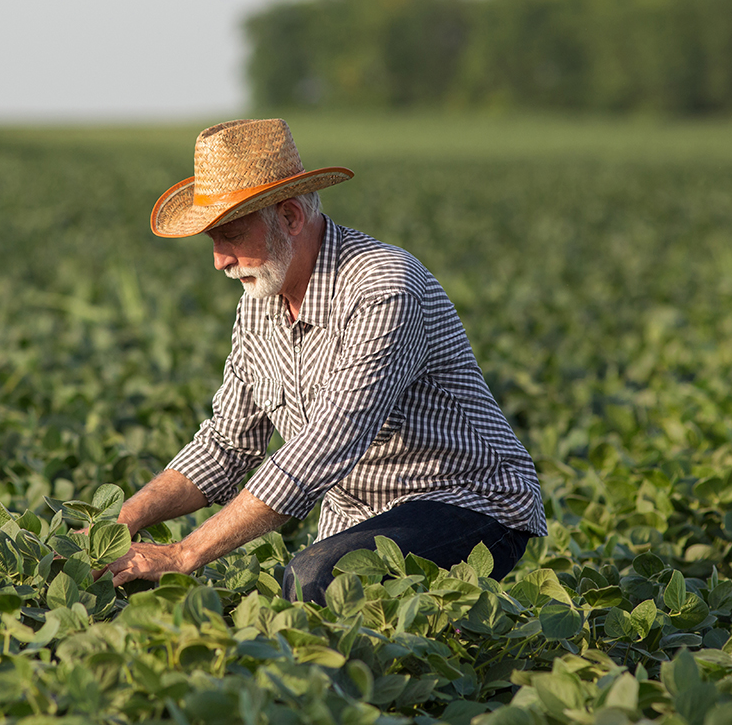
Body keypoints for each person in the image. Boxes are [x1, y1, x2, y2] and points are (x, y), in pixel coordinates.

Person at [103, 118, 546, 604]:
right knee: (277, 592)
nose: (219, 260)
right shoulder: (258, 303)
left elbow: (327, 444)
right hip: (359, 517)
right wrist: (123, 521)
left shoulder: (383, 288)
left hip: (467, 500)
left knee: (317, 580)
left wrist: (185, 554)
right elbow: (228, 444)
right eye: (212, 241)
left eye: (230, 234)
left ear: (290, 217)